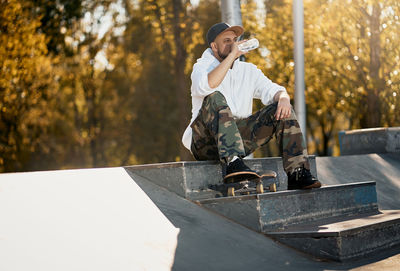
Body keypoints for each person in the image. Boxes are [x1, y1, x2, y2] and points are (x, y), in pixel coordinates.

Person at [181, 22, 321, 190]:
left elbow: (272, 90)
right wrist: (232, 56)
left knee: (283, 107)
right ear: (214, 46)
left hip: (238, 139)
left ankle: (297, 172)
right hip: (205, 143)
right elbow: (207, 86)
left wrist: (283, 97)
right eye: (226, 41)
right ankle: (233, 163)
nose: (232, 44)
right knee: (215, 97)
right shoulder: (201, 67)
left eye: (234, 40)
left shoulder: (248, 71)